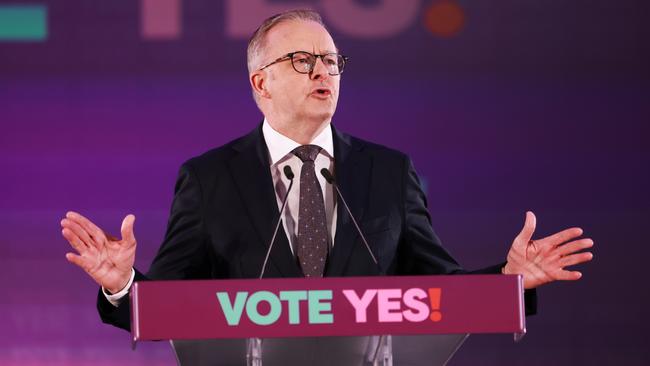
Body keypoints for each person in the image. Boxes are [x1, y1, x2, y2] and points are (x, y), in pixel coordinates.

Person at [60, 10, 594, 332]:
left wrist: (510, 282)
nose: (322, 71)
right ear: (260, 83)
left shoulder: (388, 172)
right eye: (301, 60)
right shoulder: (208, 179)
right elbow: (166, 309)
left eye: (332, 61)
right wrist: (123, 285)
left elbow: (439, 295)